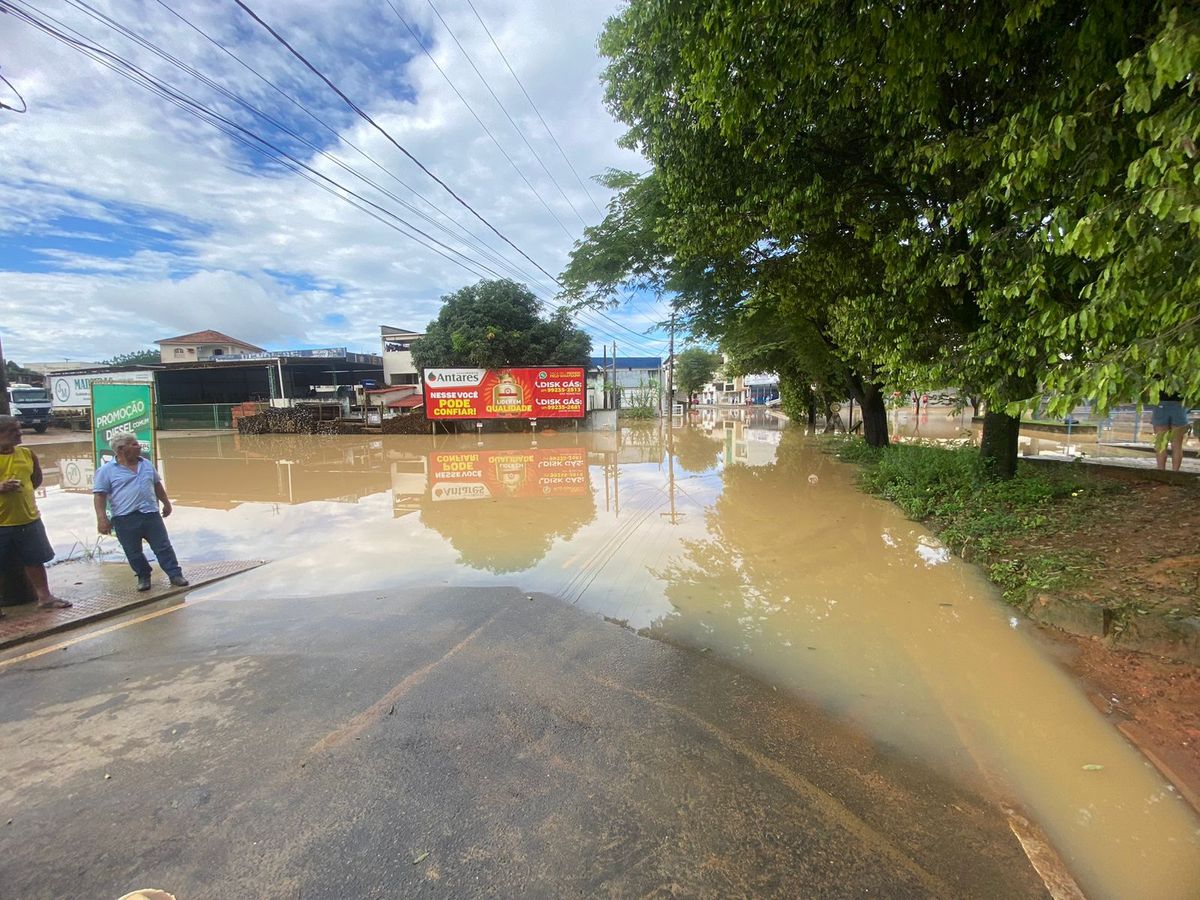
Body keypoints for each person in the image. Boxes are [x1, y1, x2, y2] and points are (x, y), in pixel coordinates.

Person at [93, 433, 188, 591]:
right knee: (133, 551)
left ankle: (174, 574)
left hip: (150, 514)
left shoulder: (146, 464)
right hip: (124, 518)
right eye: (134, 444)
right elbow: (99, 496)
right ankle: (143, 576)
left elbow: (157, 485)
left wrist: (166, 503)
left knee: (163, 547)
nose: (139, 447)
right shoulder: (106, 471)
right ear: (122, 449)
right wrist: (101, 519)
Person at [0, 414, 71, 613]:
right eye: (13, 430)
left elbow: (36, 480)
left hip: (28, 519)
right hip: (1, 524)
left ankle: (45, 598)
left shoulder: (26, 454)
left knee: (35, 560)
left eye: (19, 428)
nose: (19, 433)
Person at [1151, 392, 1190, 472]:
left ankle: (1161, 474)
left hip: (1160, 403)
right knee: (1177, 445)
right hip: (1180, 404)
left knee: (1161, 444)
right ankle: (1175, 474)